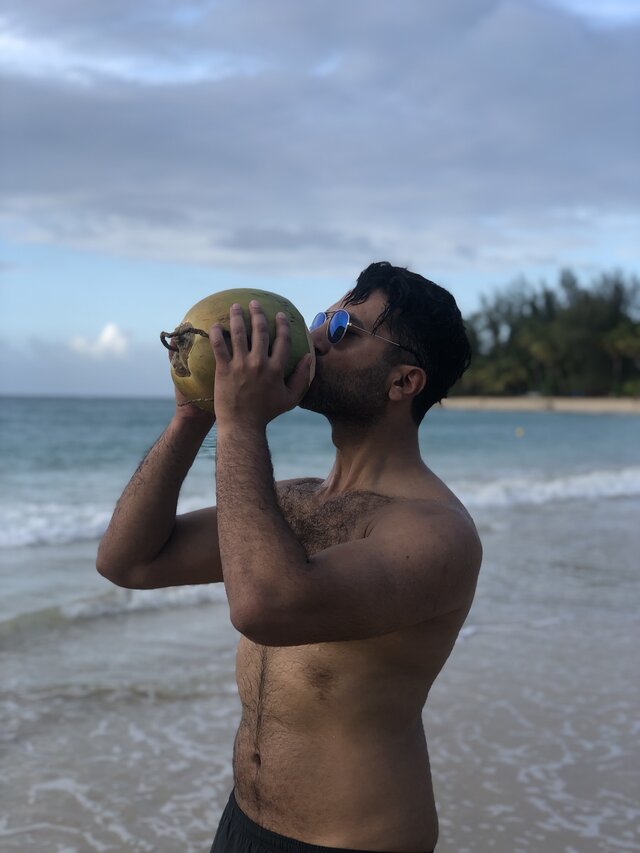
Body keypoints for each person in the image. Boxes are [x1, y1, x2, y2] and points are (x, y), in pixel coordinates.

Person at [97, 261, 482, 853]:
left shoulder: (436, 533)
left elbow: (265, 607)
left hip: (352, 841)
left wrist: (241, 423)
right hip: (244, 823)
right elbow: (128, 562)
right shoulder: (293, 502)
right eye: (324, 316)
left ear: (404, 382)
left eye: (345, 330)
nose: (317, 336)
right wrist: (193, 416)